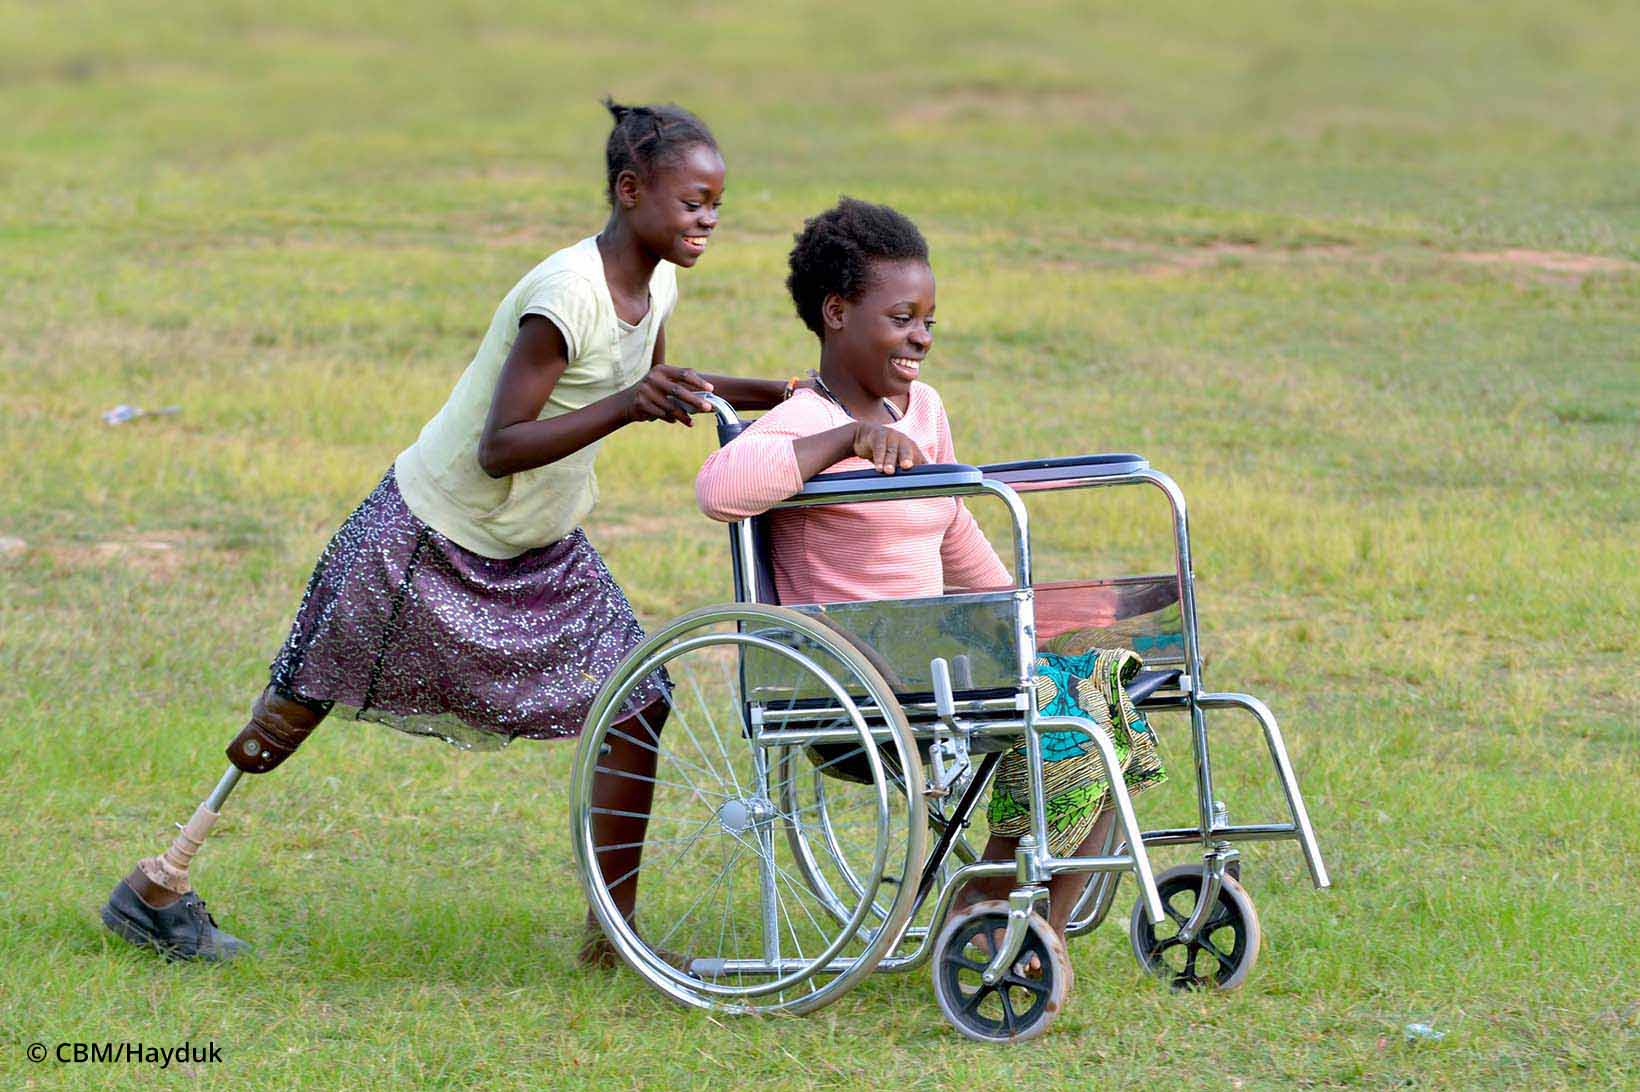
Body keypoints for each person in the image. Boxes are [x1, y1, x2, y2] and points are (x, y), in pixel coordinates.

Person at [101, 99, 799, 964]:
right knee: (290, 710)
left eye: (716, 204)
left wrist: (783, 392)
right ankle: (155, 886)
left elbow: (657, 381)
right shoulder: (565, 297)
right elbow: (500, 445)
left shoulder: (655, 284)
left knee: (641, 699)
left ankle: (611, 939)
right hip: (428, 535)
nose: (709, 220)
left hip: (538, 544)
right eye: (694, 202)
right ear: (629, 191)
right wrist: (629, 406)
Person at [694, 197, 1165, 947]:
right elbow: (720, 489)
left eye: (929, 321)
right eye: (902, 318)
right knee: (1067, 704)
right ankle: (990, 907)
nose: (921, 337)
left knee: (1100, 686)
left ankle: (1026, 924)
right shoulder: (802, 422)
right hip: (857, 676)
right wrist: (848, 438)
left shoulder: (923, 409)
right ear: (837, 312)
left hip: (937, 659)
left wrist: (1025, 617)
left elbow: (951, 525)